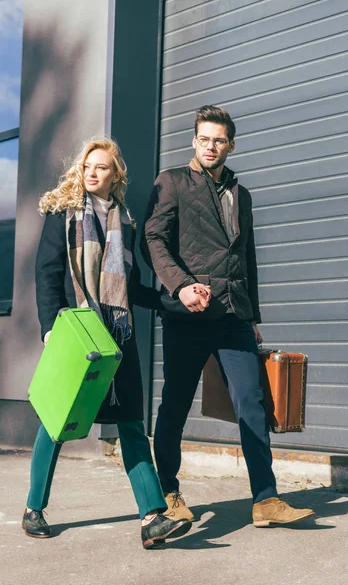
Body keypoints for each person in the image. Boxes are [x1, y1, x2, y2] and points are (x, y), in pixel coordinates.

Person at [142, 105, 314, 527]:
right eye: (204, 138)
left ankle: (266, 500)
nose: (211, 146)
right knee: (176, 406)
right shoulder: (172, 182)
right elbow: (153, 239)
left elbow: (246, 256)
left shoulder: (242, 192)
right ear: (194, 141)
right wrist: (180, 285)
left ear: (230, 145)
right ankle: (168, 491)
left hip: (233, 315)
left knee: (252, 404)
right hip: (189, 313)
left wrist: (252, 311)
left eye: (219, 140)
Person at [23, 137, 192, 549]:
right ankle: (33, 509)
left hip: (118, 336)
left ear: (116, 174)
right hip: (77, 333)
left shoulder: (125, 221)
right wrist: (51, 329)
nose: (92, 173)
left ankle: (152, 517)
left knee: (132, 424)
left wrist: (172, 301)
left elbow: (128, 287)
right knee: (56, 422)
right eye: (87, 166)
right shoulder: (62, 214)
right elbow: (47, 273)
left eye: (101, 167)